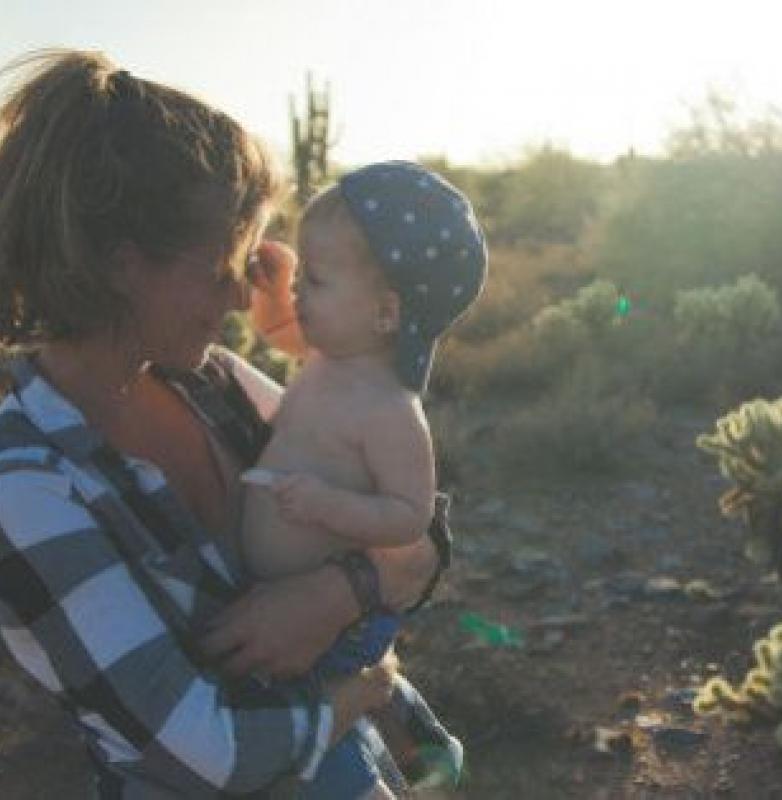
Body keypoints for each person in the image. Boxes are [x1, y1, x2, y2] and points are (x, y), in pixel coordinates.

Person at [0, 49, 449, 797]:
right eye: (220, 270)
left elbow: (421, 534)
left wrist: (336, 595)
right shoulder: (25, 483)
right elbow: (210, 753)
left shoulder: (213, 383)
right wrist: (366, 687)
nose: (244, 298)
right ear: (122, 266)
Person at [234, 161, 487, 798]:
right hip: (295, 597)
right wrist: (275, 285)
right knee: (361, 686)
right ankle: (422, 735)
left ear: (385, 312)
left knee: (327, 726)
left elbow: (409, 514)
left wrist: (329, 505)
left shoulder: (388, 410)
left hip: (338, 620)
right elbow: (280, 329)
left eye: (314, 280)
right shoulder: (329, 356)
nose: (300, 291)